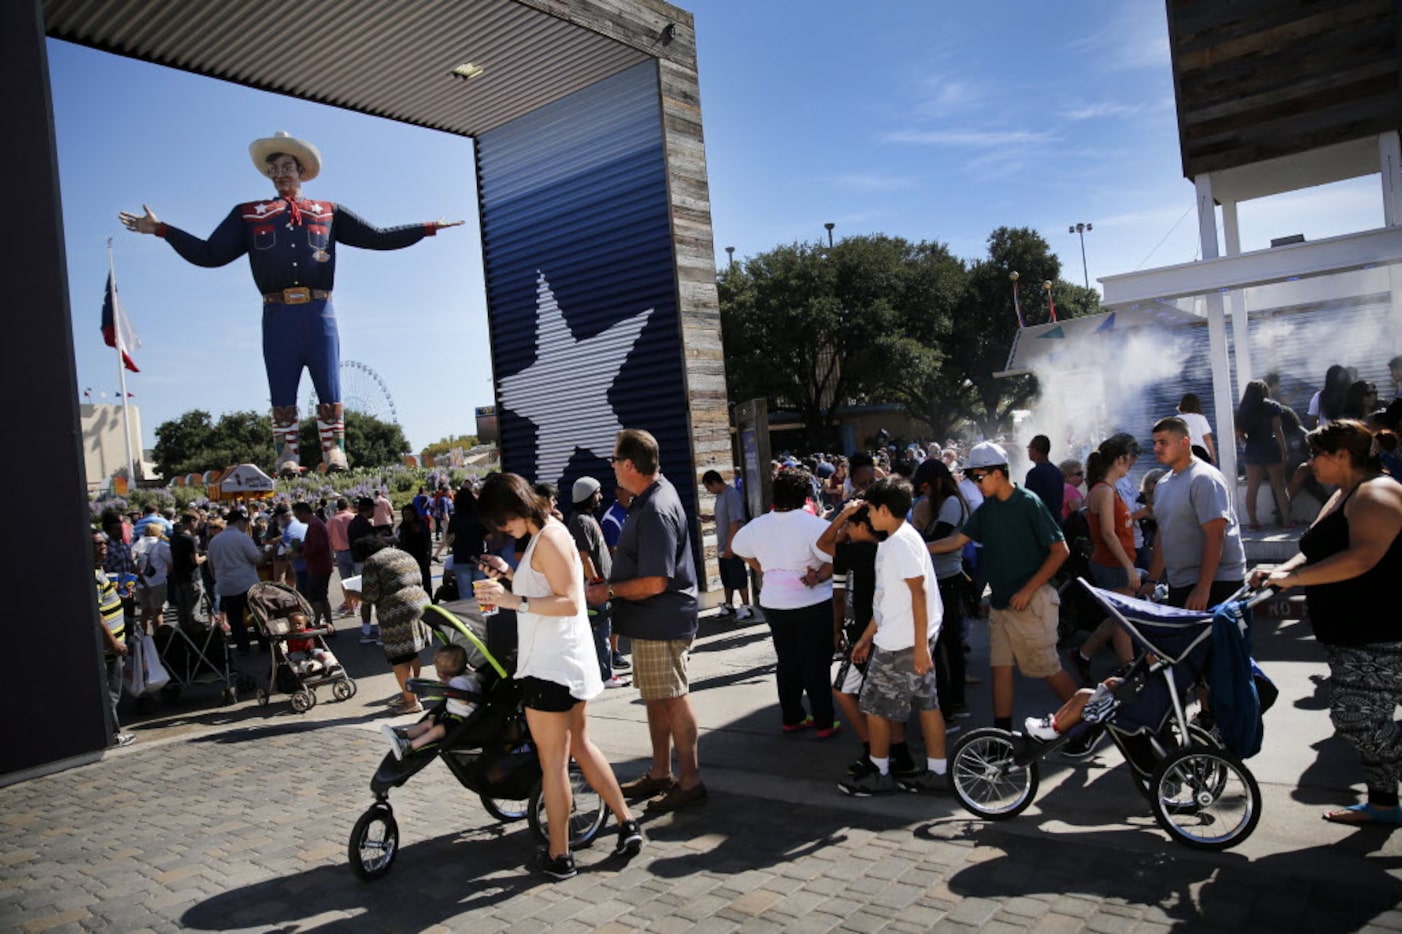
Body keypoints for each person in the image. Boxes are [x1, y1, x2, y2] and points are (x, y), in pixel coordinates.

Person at [119, 131, 462, 473]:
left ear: (301, 171)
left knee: (329, 381)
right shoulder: (250, 214)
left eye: (288, 167)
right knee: (281, 385)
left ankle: (334, 451)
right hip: (277, 310)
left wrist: (427, 227)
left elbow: (377, 237)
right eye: (274, 169)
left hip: (319, 310)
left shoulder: (328, 212)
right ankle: (286, 454)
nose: (281, 174)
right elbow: (210, 254)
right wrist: (163, 230)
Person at [474, 473, 643, 879]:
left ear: (514, 510)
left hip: (551, 666)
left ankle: (559, 855)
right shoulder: (549, 532)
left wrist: (510, 598)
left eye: (503, 523)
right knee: (580, 747)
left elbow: (568, 602)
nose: (502, 531)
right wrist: (510, 576)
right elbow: (550, 588)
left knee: (554, 764)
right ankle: (626, 823)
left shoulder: (548, 536)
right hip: (567, 663)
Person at [1251, 420, 1402, 825]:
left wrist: (1295, 579)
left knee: (1358, 720)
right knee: (1368, 719)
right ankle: (1385, 804)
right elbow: (1314, 551)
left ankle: (1385, 801)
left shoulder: (1377, 493)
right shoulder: (1343, 494)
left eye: (1316, 453)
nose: (1309, 462)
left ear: (1342, 455)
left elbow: (1362, 556)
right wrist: (1277, 572)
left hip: (1382, 632)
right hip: (1352, 633)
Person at [927, 442, 1081, 742]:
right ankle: (1001, 736)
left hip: (1032, 603)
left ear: (998, 473)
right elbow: (958, 540)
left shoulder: (1028, 503)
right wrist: (917, 546)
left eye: (978, 477)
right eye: (972, 478)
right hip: (1001, 605)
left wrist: (1028, 589)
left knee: (1048, 668)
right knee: (1000, 669)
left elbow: (1060, 551)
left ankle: (1087, 720)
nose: (975, 483)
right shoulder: (987, 510)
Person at [585, 429, 705, 813]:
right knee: (658, 698)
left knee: (671, 698)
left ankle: (689, 780)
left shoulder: (655, 507)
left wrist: (609, 592)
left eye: (614, 460)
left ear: (630, 465)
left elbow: (656, 581)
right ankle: (660, 772)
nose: (612, 468)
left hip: (662, 619)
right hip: (654, 621)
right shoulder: (652, 496)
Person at [837, 477, 949, 795]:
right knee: (928, 703)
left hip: (903, 642)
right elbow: (889, 599)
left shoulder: (899, 543)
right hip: (909, 637)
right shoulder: (899, 538)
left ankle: (879, 771)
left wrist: (918, 648)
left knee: (873, 707)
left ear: (884, 509)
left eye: (871, 509)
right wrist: (867, 636)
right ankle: (937, 772)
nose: (868, 515)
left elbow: (919, 594)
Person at [730, 469, 838, 736]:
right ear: (805, 496)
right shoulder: (815, 525)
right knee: (816, 662)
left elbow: (737, 547)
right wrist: (818, 571)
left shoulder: (758, 525)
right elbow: (838, 553)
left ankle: (791, 717)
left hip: (775, 602)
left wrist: (762, 568)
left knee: (787, 660)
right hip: (812, 601)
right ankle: (824, 721)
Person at [1143, 417, 1247, 610]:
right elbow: (1163, 534)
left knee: (1215, 640)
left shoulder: (1205, 478)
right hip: (1181, 583)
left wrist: (1203, 588)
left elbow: (1216, 535)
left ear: (1185, 442)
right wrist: (1151, 580)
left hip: (1217, 583)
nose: (1156, 448)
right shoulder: (1163, 485)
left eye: (1163, 442)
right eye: (1155, 443)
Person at [1065, 436, 1141, 681]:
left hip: (1111, 561)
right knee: (1122, 618)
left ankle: (1085, 654)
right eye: (1130, 459)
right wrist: (1129, 567)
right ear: (1119, 460)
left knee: (1118, 616)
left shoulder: (1103, 489)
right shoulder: (1105, 491)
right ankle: (1128, 668)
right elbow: (1108, 533)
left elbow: (1113, 527)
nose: (1132, 464)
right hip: (1112, 563)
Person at [910, 459, 970, 724]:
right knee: (947, 644)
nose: (923, 491)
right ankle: (952, 700)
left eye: (925, 486)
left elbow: (939, 538)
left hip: (947, 579)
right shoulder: (940, 504)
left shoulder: (952, 504)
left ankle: (953, 701)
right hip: (939, 578)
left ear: (936, 481)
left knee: (948, 645)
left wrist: (915, 540)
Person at [353, 535, 431, 715]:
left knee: (399, 658)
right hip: (420, 603)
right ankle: (412, 692)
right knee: (412, 652)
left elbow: (370, 596)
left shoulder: (373, 561)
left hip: (397, 612)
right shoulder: (402, 554)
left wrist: (352, 594)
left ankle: (411, 702)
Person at [568, 477, 627, 688]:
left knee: (604, 629)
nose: (600, 496)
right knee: (600, 632)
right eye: (597, 493)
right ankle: (604, 675)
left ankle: (605, 672)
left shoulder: (588, 518)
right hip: (596, 589)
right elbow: (583, 556)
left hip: (602, 587)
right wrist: (596, 583)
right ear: (586, 495)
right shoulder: (581, 521)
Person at [381, 644, 480, 759]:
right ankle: (404, 735)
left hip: (462, 721)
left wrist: (450, 690)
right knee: (428, 723)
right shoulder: (463, 676)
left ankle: (409, 747)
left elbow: (464, 702)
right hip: (452, 716)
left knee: (437, 730)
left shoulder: (460, 682)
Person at [93, 531, 135, 747]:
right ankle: (112, 735)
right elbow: (96, 615)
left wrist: (118, 597)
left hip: (114, 641)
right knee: (111, 691)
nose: (104, 547)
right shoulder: (92, 574)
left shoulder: (101, 572)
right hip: (110, 647)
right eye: (98, 544)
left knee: (112, 689)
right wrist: (114, 643)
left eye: (104, 543)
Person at [206, 510, 268, 654]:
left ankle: (243, 647)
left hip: (226, 585)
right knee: (257, 615)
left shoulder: (215, 541)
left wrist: (218, 579)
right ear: (240, 522)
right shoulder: (242, 538)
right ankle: (264, 644)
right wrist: (269, 553)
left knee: (235, 619)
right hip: (246, 583)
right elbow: (257, 560)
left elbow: (211, 566)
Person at [1237, 379, 1293, 530]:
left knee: (1252, 487)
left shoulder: (1243, 409)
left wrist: (1247, 442)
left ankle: (1253, 522)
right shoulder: (1272, 406)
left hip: (1252, 448)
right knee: (1280, 487)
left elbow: (1239, 434)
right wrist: (1284, 451)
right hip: (1270, 447)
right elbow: (1278, 431)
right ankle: (1287, 521)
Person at [703, 469, 752, 619]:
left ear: (714, 483)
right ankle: (729, 605)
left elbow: (735, 522)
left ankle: (746, 606)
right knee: (727, 577)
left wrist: (730, 546)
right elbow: (724, 516)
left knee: (738, 575)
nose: (709, 491)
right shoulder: (720, 496)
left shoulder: (732, 495)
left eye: (708, 487)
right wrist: (710, 518)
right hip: (723, 544)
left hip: (733, 544)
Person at [292, 501, 335, 632]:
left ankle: (316, 625)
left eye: (298, 515)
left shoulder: (314, 525)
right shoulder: (315, 524)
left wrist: (301, 553)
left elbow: (317, 546)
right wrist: (301, 546)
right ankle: (328, 624)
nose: (298, 519)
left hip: (318, 566)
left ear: (303, 513)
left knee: (316, 597)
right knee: (321, 596)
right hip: (321, 565)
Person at [131, 524, 171, 636]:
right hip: (157, 581)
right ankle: (159, 638)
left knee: (145, 611)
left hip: (141, 582)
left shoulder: (138, 543)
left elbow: (131, 559)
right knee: (157, 611)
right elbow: (170, 560)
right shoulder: (160, 545)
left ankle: (144, 637)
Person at [168, 511, 206, 630]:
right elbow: (195, 561)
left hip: (179, 578)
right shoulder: (189, 539)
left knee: (182, 613)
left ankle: (186, 639)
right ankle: (199, 640)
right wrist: (206, 556)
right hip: (192, 578)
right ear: (192, 521)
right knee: (194, 612)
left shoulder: (174, 538)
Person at [325, 498, 358, 615]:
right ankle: (363, 604)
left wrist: (330, 555)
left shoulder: (331, 521)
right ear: (348, 505)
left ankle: (350, 607)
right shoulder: (353, 517)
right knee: (360, 579)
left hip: (340, 553)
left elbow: (327, 540)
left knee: (346, 581)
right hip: (355, 551)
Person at [1024, 434, 1064, 517]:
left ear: (1035, 450)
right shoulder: (1057, 472)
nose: (1028, 451)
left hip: (1041, 521)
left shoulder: (1034, 473)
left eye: (1029, 448)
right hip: (1056, 520)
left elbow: (1029, 501)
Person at [397, 503, 433, 594]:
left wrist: (429, 556)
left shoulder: (422, 524)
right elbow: (399, 543)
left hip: (422, 557)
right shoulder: (402, 528)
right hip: (408, 559)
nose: (407, 517)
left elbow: (428, 541)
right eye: (405, 515)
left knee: (426, 583)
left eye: (409, 514)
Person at [1176, 393, 1218, 465]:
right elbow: (1207, 438)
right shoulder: (1200, 418)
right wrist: (1213, 455)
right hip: (1201, 453)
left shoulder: (1177, 420)